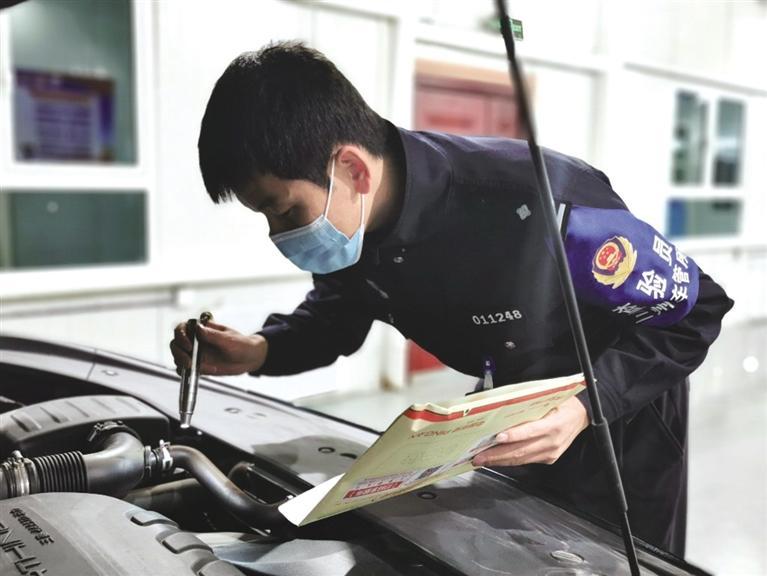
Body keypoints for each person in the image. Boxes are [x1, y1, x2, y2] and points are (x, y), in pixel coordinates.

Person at [170, 42, 733, 556]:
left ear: (352, 168)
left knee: (610, 561)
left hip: (621, 422)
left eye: (287, 211)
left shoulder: (539, 202)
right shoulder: (357, 232)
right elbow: (334, 319)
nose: (280, 234)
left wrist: (586, 407)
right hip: (507, 415)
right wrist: (259, 350)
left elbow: (696, 310)